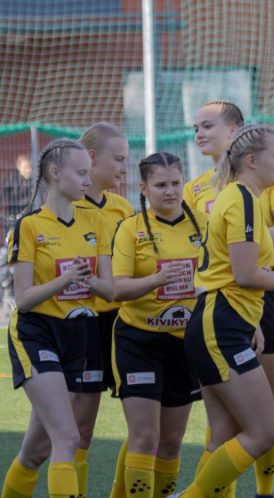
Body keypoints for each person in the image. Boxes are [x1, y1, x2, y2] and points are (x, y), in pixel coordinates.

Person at [173, 124, 274, 497]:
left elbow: (233, 274)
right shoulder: (241, 199)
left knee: (224, 436)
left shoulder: (242, 197)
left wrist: (251, 322)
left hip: (224, 321)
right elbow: (244, 274)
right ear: (251, 160)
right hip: (219, 324)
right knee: (263, 432)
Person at [2, 138, 115, 498]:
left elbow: (110, 291)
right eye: (81, 173)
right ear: (54, 173)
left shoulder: (96, 220)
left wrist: (89, 280)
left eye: (89, 172)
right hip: (37, 332)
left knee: (35, 452)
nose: (88, 180)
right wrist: (65, 280)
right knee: (67, 437)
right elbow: (24, 299)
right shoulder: (29, 225)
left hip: (80, 334)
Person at [110, 152, 206, 498]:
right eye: (160, 184)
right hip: (140, 342)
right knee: (145, 437)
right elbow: (117, 289)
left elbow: (223, 279)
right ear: (143, 188)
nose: (170, 191)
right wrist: (156, 280)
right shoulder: (130, 229)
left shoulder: (204, 225)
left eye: (176, 183)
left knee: (170, 442)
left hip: (186, 343)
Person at [73, 122, 133, 492]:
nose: (124, 167)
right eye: (119, 159)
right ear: (92, 158)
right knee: (81, 429)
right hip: (84, 326)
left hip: (126, 324)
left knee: (145, 426)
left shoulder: (123, 209)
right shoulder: (64, 207)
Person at [185, 100, 244, 215]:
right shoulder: (191, 189)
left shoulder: (267, 177)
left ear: (232, 131)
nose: (199, 135)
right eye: (196, 129)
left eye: (207, 126)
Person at [1, 154, 33, 233]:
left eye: (30, 167)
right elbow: (2, 192)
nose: (28, 170)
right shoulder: (12, 178)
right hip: (12, 214)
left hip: (28, 214)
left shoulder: (34, 180)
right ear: (19, 167)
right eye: (25, 168)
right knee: (10, 236)